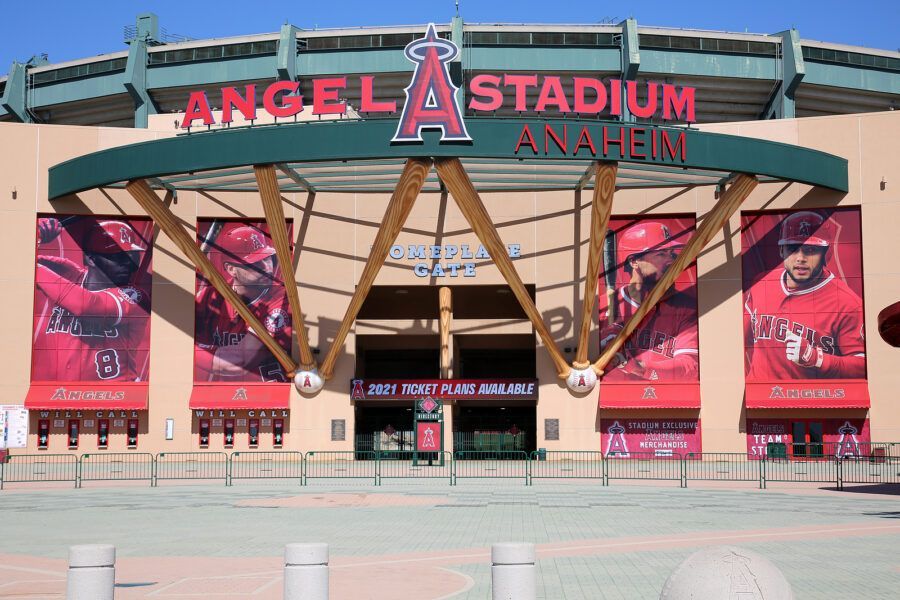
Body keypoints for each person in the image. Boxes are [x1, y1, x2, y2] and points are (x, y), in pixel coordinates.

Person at [744, 210, 865, 379]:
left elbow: (864, 367)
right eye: (792, 249)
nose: (800, 258)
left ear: (826, 254)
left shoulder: (848, 303)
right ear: (781, 252)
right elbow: (739, 341)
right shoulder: (761, 283)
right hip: (758, 400)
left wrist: (817, 359)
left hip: (810, 400)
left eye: (810, 250)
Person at [33, 217, 151, 381]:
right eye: (118, 257)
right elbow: (13, 261)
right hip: (65, 395)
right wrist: (35, 236)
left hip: (119, 395)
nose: (128, 264)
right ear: (90, 258)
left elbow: (87, 306)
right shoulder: (68, 273)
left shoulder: (136, 296)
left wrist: (33, 270)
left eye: (131, 257)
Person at [600, 221, 699, 381]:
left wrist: (639, 367)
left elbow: (689, 367)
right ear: (634, 262)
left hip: (666, 400)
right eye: (661, 254)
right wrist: (601, 343)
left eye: (671, 253)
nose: (670, 260)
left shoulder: (685, 308)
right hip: (611, 400)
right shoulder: (603, 306)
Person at [194, 225, 292, 382]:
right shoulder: (211, 296)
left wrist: (184, 348)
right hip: (224, 399)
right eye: (255, 263)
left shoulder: (282, 302)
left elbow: (235, 361)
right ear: (231, 269)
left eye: (267, 258)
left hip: (271, 395)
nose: (267, 267)